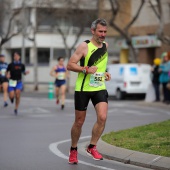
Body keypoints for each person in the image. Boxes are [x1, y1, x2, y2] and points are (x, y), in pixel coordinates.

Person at [67, 18, 111, 164]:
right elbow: (70, 65)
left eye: (105, 31)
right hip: (83, 89)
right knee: (79, 122)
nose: (103, 34)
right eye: (100, 31)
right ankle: (73, 149)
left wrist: (106, 73)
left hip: (99, 87)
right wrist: (85, 69)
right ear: (93, 31)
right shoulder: (84, 46)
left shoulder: (106, 45)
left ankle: (92, 147)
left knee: (102, 117)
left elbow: (101, 65)